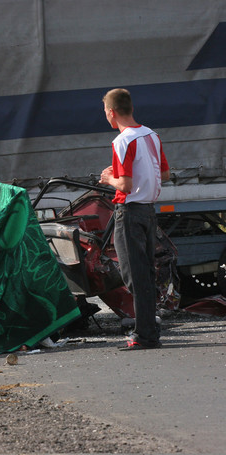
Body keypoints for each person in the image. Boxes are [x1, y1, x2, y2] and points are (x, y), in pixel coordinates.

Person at [99, 88, 170, 351]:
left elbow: (125, 186)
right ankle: (149, 329)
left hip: (129, 212)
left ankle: (145, 334)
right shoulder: (152, 135)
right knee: (146, 273)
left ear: (111, 112)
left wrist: (108, 179)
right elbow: (166, 174)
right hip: (149, 211)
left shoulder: (122, 141)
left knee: (133, 274)